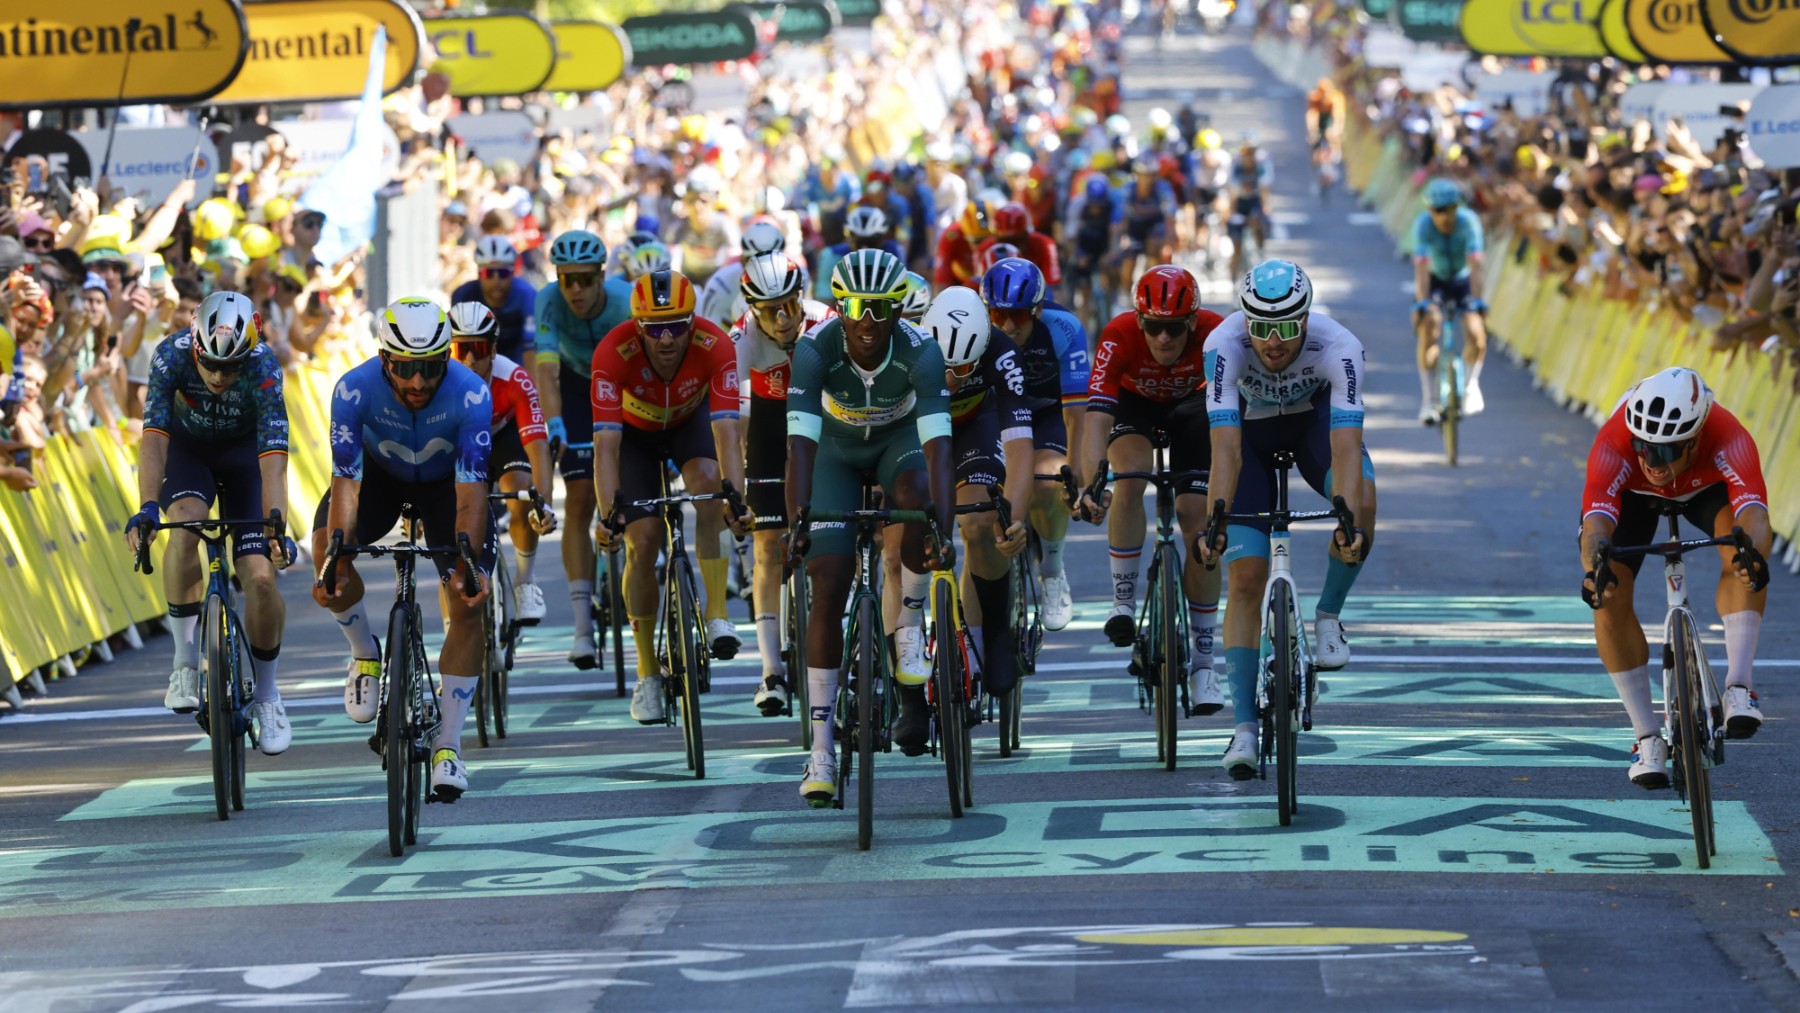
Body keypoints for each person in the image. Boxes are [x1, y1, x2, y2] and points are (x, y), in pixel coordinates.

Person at [1196, 261, 1378, 781]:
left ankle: (1327, 616)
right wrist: (1216, 523)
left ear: (1305, 318)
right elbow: (1225, 452)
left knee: (1362, 494)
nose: (1273, 341)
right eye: (1261, 327)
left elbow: (1344, 447)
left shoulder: (1339, 346)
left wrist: (1347, 519)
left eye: (1286, 327)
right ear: (1245, 320)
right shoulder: (1222, 346)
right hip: (1248, 443)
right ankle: (1245, 728)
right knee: (1246, 576)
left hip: (1311, 429)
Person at [786, 248, 955, 806]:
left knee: (916, 496)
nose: (868, 321)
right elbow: (800, 448)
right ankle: (820, 749)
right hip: (833, 453)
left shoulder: (922, 355)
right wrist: (798, 522)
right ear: (839, 305)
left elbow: (938, 450)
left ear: (897, 308)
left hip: (897, 446)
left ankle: (907, 628)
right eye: (856, 307)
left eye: (882, 308)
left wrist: (942, 529)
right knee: (828, 583)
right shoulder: (814, 353)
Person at [311, 297, 494, 801]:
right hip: (377, 483)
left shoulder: (472, 394)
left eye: (431, 368)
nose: (418, 383)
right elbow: (345, 483)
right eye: (406, 369)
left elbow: (472, 492)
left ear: (447, 359)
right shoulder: (353, 389)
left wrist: (465, 565)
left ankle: (449, 746)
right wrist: (337, 557)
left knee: (470, 597)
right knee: (326, 548)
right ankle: (364, 653)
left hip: (445, 491)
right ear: (385, 358)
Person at [1579, 368, 1772, 787]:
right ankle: (1647, 736)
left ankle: (1739, 687)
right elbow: (1596, 524)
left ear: (1696, 439)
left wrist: (1753, 554)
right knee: (1608, 593)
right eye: (1643, 448)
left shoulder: (1728, 435)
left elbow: (1754, 512)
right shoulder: (1613, 443)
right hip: (1633, 500)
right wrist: (1596, 568)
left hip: (1706, 489)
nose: (1651, 461)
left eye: (1665, 452)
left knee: (1743, 554)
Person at [125, 291, 296, 754]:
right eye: (211, 365)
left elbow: (273, 458)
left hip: (244, 459)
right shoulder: (170, 356)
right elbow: (154, 440)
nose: (219, 376)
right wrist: (145, 507)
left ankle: (267, 694)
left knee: (260, 578)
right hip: (188, 452)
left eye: (231, 367)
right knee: (185, 523)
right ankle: (184, 660)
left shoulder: (264, 367)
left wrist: (275, 524)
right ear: (196, 346)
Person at [591, 270, 754, 724]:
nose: (667, 339)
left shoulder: (715, 345)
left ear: (693, 321)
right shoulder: (611, 351)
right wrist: (609, 516)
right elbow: (606, 447)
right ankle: (646, 673)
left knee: (708, 484)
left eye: (678, 326)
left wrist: (736, 501)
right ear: (638, 326)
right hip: (635, 440)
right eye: (655, 328)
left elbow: (726, 436)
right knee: (642, 542)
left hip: (689, 425)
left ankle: (717, 613)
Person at [1076, 265, 1225, 717]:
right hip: (1134, 406)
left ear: (1193, 323)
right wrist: (1090, 483)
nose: (1164, 339)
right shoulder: (1118, 333)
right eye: (1155, 327)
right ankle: (1122, 601)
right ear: (1140, 321)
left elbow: (1229, 420)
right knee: (1130, 476)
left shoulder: (1216, 333)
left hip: (1192, 408)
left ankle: (1203, 663)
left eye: (1175, 328)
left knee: (1196, 516)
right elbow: (1097, 418)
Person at [914, 285, 1033, 700]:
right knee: (894, 536)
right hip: (916, 425)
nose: (950, 379)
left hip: (974, 426)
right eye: (943, 367)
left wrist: (1013, 520)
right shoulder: (909, 342)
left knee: (981, 521)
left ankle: (994, 632)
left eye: (963, 369)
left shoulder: (1001, 350)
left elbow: (1020, 448)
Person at [734, 253, 838, 715]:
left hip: (823, 421)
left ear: (801, 298)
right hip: (769, 427)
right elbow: (729, 416)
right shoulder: (744, 338)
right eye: (768, 310)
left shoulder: (826, 322)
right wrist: (734, 480)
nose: (780, 319)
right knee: (766, 545)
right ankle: (770, 670)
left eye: (788, 306)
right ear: (753, 310)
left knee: (837, 534)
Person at [533, 230, 635, 668]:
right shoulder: (548, 301)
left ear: (600, 277)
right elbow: (547, 373)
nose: (574, 290)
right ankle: (581, 628)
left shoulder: (625, 299)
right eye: (566, 279)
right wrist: (554, 424)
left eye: (584, 280)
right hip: (576, 386)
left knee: (632, 493)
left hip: (626, 383)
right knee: (577, 498)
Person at [981, 258, 1090, 630]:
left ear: (1039, 310)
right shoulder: (974, 331)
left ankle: (1053, 569)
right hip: (993, 415)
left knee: (1047, 481)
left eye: (1021, 315)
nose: (1010, 325)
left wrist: (1073, 477)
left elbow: (1077, 416)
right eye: (998, 314)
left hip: (1047, 414)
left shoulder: (1064, 328)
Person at [448, 302, 559, 622]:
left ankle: (525, 580)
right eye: (461, 348)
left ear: (494, 349)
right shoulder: (435, 380)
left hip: (503, 437)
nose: (470, 359)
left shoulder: (515, 378)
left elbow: (538, 446)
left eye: (479, 348)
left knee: (521, 494)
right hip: (459, 443)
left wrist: (545, 505)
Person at [1412, 178, 1489, 422]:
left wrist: (1477, 300)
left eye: (1451, 208)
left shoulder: (1468, 222)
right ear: (1429, 210)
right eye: (1439, 210)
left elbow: (1476, 265)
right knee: (1430, 327)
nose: (1446, 216)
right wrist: (1422, 302)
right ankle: (1429, 400)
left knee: (1476, 333)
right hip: (1435, 280)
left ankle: (1470, 386)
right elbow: (1422, 271)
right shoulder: (1423, 225)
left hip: (1463, 280)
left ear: (1458, 207)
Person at [451, 235, 537, 370]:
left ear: (513, 273)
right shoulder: (463, 295)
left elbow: (531, 348)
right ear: (479, 274)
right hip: (477, 357)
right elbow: (458, 347)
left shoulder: (527, 295)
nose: (496, 281)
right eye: (488, 273)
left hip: (516, 359)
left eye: (503, 273)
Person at [696, 219, 789, 329]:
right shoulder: (720, 285)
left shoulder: (798, 277)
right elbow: (708, 333)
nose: (764, 272)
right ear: (742, 259)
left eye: (772, 263)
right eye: (756, 264)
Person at [815, 206, 907, 303]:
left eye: (872, 243)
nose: (865, 249)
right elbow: (825, 300)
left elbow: (903, 296)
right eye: (859, 242)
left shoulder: (895, 251)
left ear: (883, 238)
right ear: (849, 238)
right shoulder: (832, 255)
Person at [976, 201, 1062, 290]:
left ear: (1027, 234)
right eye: (1004, 241)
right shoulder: (983, 250)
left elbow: (1054, 288)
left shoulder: (1045, 245)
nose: (1011, 247)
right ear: (995, 237)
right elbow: (976, 287)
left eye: (1016, 241)